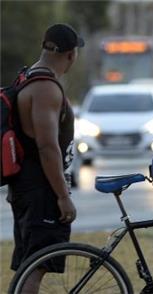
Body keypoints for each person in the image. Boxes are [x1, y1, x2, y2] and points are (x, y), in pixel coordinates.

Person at [7, 23, 83, 292]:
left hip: (25, 185)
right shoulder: (46, 89)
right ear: (71, 55)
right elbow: (47, 147)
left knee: (30, 264)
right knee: (37, 266)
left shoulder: (27, 77)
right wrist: (63, 196)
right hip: (41, 188)